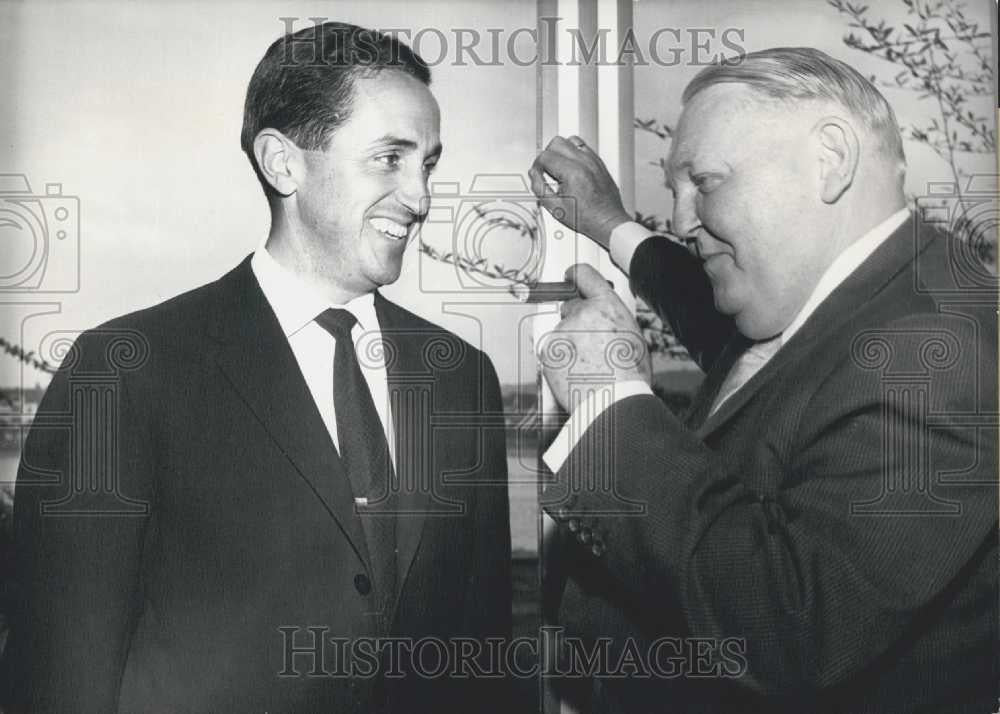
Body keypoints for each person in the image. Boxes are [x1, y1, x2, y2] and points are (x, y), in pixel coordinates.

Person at [2, 22, 511, 713]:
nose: (420, 198)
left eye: (428, 165)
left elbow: (484, 664)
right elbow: (61, 681)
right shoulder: (123, 373)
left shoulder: (462, 378)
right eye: (389, 158)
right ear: (282, 163)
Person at [529, 47, 997, 713]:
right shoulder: (872, 297)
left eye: (706, 182)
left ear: (829, 160)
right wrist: (610, 224)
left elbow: (792, 630)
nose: (683, 220)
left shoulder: (934, 354)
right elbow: (716, 318)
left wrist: (608, 401)